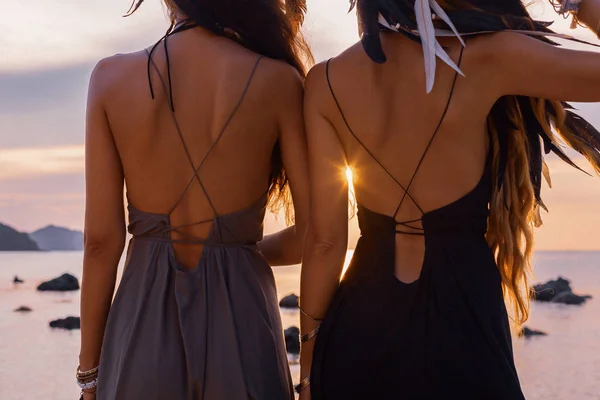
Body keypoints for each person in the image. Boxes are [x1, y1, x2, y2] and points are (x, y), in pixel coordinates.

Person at [299, 0, 600, 398]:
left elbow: (325, 243)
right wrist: (578, 5)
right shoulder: (486, 57)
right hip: (464, 322)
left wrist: (307, 371)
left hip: (360, 322)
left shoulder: (324, 81)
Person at [77, 0, 313, 399]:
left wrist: (89, 377)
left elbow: (101, 243)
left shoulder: (111, 78)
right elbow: (315, 235)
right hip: (245, 322)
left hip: (141, 323)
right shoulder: (280, 80)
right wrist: (240, 252)